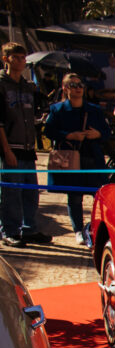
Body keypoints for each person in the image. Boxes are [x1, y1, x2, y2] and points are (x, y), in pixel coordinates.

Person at [45, 72, 109, 245]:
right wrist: (69, 135)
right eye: (74, 85)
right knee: (74, 197)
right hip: (72, 157)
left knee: (98, 195)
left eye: (81, 85)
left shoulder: (94, 110)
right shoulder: (57, 110)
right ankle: (78, 230)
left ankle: (96, 228)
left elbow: (107, 132)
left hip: (92, 157)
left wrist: (98, 134)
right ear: (65, 89)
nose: (79, 88)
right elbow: (48, 131)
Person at [0, 42, 48, 247]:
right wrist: (6, 150)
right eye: (17, 57)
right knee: (11, 193)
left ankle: (29, 229)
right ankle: (9, 231)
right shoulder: (2, 85)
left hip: (28, 147)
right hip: (10, 147)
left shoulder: (28, 86)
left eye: (23, 57)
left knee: (30, 191)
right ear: (6, 59)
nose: (21, 61)